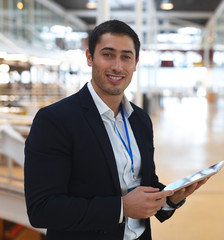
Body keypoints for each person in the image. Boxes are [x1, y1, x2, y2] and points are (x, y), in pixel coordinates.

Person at [24, 20, 208, 240]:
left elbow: (142, 184)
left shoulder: (140, 119)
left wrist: (170, 199)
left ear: (136, 62)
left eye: (126, 57)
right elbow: (42, 209)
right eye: (108, 54)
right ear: (90, 57)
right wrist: (121, 208)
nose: (117, 67)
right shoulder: (55, 120)